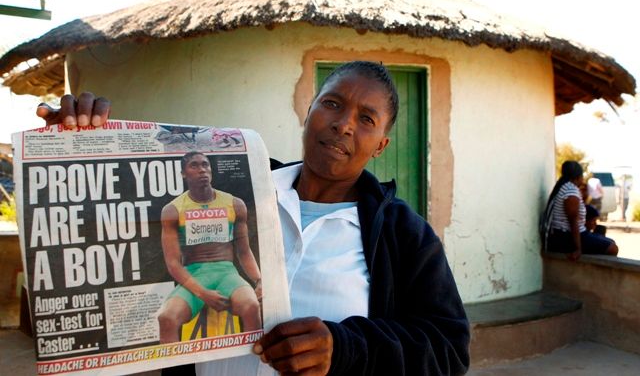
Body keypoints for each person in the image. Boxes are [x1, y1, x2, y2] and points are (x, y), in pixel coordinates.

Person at [36, 61, 470, 375]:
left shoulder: (402, 234)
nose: (343, 125)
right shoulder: (237, 188)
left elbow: (449, 348)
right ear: (309, 111)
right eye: (332, 104)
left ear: (380, 145)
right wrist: (81, 140)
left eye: (366, 119)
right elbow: (113, 217)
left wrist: (345, 348)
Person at [157, 151, 262, 343]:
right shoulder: (172, 209)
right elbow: (173, 263)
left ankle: (252, 362)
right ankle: (174, 369)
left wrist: (259, 279)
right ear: (183, 174)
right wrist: (202, 293)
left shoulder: (234, 204)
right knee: (166, 318)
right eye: (194, 166)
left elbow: (244, 251)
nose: (202, 170)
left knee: (251, 306)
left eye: (205, 165)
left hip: (226, 273)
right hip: (194, 275)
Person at [541, 161, 618, 259]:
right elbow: (573, 221)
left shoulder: (565, 187)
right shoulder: (570, 190)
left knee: (609, 241)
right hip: (566, 237)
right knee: (613, 248)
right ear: (578, 176)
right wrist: (578, 249)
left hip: (565, 235)